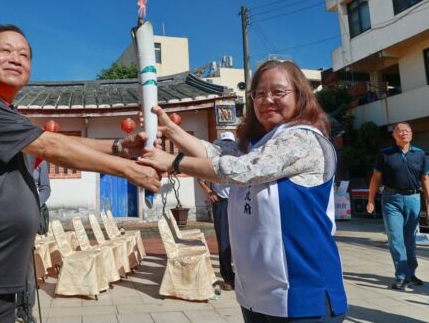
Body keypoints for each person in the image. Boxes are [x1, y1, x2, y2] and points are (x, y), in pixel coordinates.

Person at [0, 24, 160, 323]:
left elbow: (56, 141)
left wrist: (119, 147)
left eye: (24, 55)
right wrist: (129, 169)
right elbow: (51, 145)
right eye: (5, 51)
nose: (16, 59)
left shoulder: (5, 114)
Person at [139, 59, 348, 322]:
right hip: (256, 295)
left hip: (304, 294)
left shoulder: (304, 138)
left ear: (300, 95)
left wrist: (174, 162)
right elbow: (214, 153)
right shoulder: (256, 144)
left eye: (278, 92)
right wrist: (170, 129)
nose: (267, 99)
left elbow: (243, 169)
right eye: (259, 94)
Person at [366, 122, 429, 290]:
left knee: (410, 238)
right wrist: (370, 200)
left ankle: (411, 273)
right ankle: (402, 275)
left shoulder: (419, 154)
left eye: (407, 131)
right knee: (396, 238)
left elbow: (425, 179)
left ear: (411, 134)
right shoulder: (385, 154)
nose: (404, 133)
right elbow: (376, 178)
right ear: (394, 134)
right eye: (400, 130)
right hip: (391, 199)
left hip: (413, 199)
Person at [196, 131, 236, 291]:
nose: (227, 147)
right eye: (224, 144)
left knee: (242, 240)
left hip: (239, 203)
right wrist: (210, 191)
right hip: (221, 203)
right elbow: (200, 178)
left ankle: (243, 276)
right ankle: (228, 277)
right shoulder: (213, 162)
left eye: (229, 144)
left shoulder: (239, 159)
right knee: (224, 241)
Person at [16, 159, 51, 323]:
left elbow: (45, 189)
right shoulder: (9, 155)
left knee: (27, 267)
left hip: (28, 217)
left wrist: (33, 203)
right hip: (6, 216)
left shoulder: (39, 161)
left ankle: (26, 308)